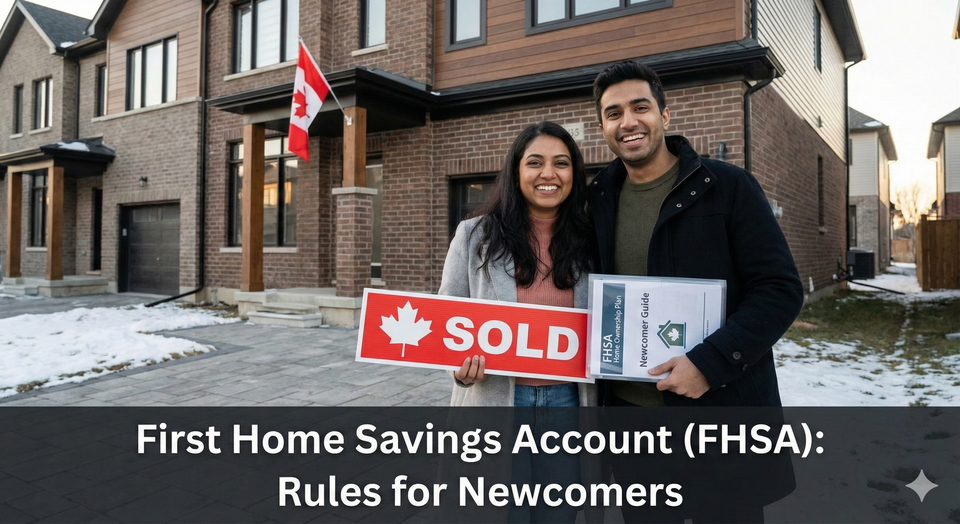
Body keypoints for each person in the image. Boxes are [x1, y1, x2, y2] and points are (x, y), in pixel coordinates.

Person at [588, 60, 803, 522]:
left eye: (640, 107)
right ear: (602, 126)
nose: (628, 121)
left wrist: (708, 364)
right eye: (613, 113)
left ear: (664, 116)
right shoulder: (597, 200)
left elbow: (779, 290)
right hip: (633, 428)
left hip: (721, 418)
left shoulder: (727, 187)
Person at [438, 121, 599, 524]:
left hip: (568, 404)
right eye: (535, 163)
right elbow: (446, 319)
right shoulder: (474, 235)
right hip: (494, 401)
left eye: (561, 163)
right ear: (516, 172)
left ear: (574, 174)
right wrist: (457, 368)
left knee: (557, 516)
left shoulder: (593, 238)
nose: (549, 174)